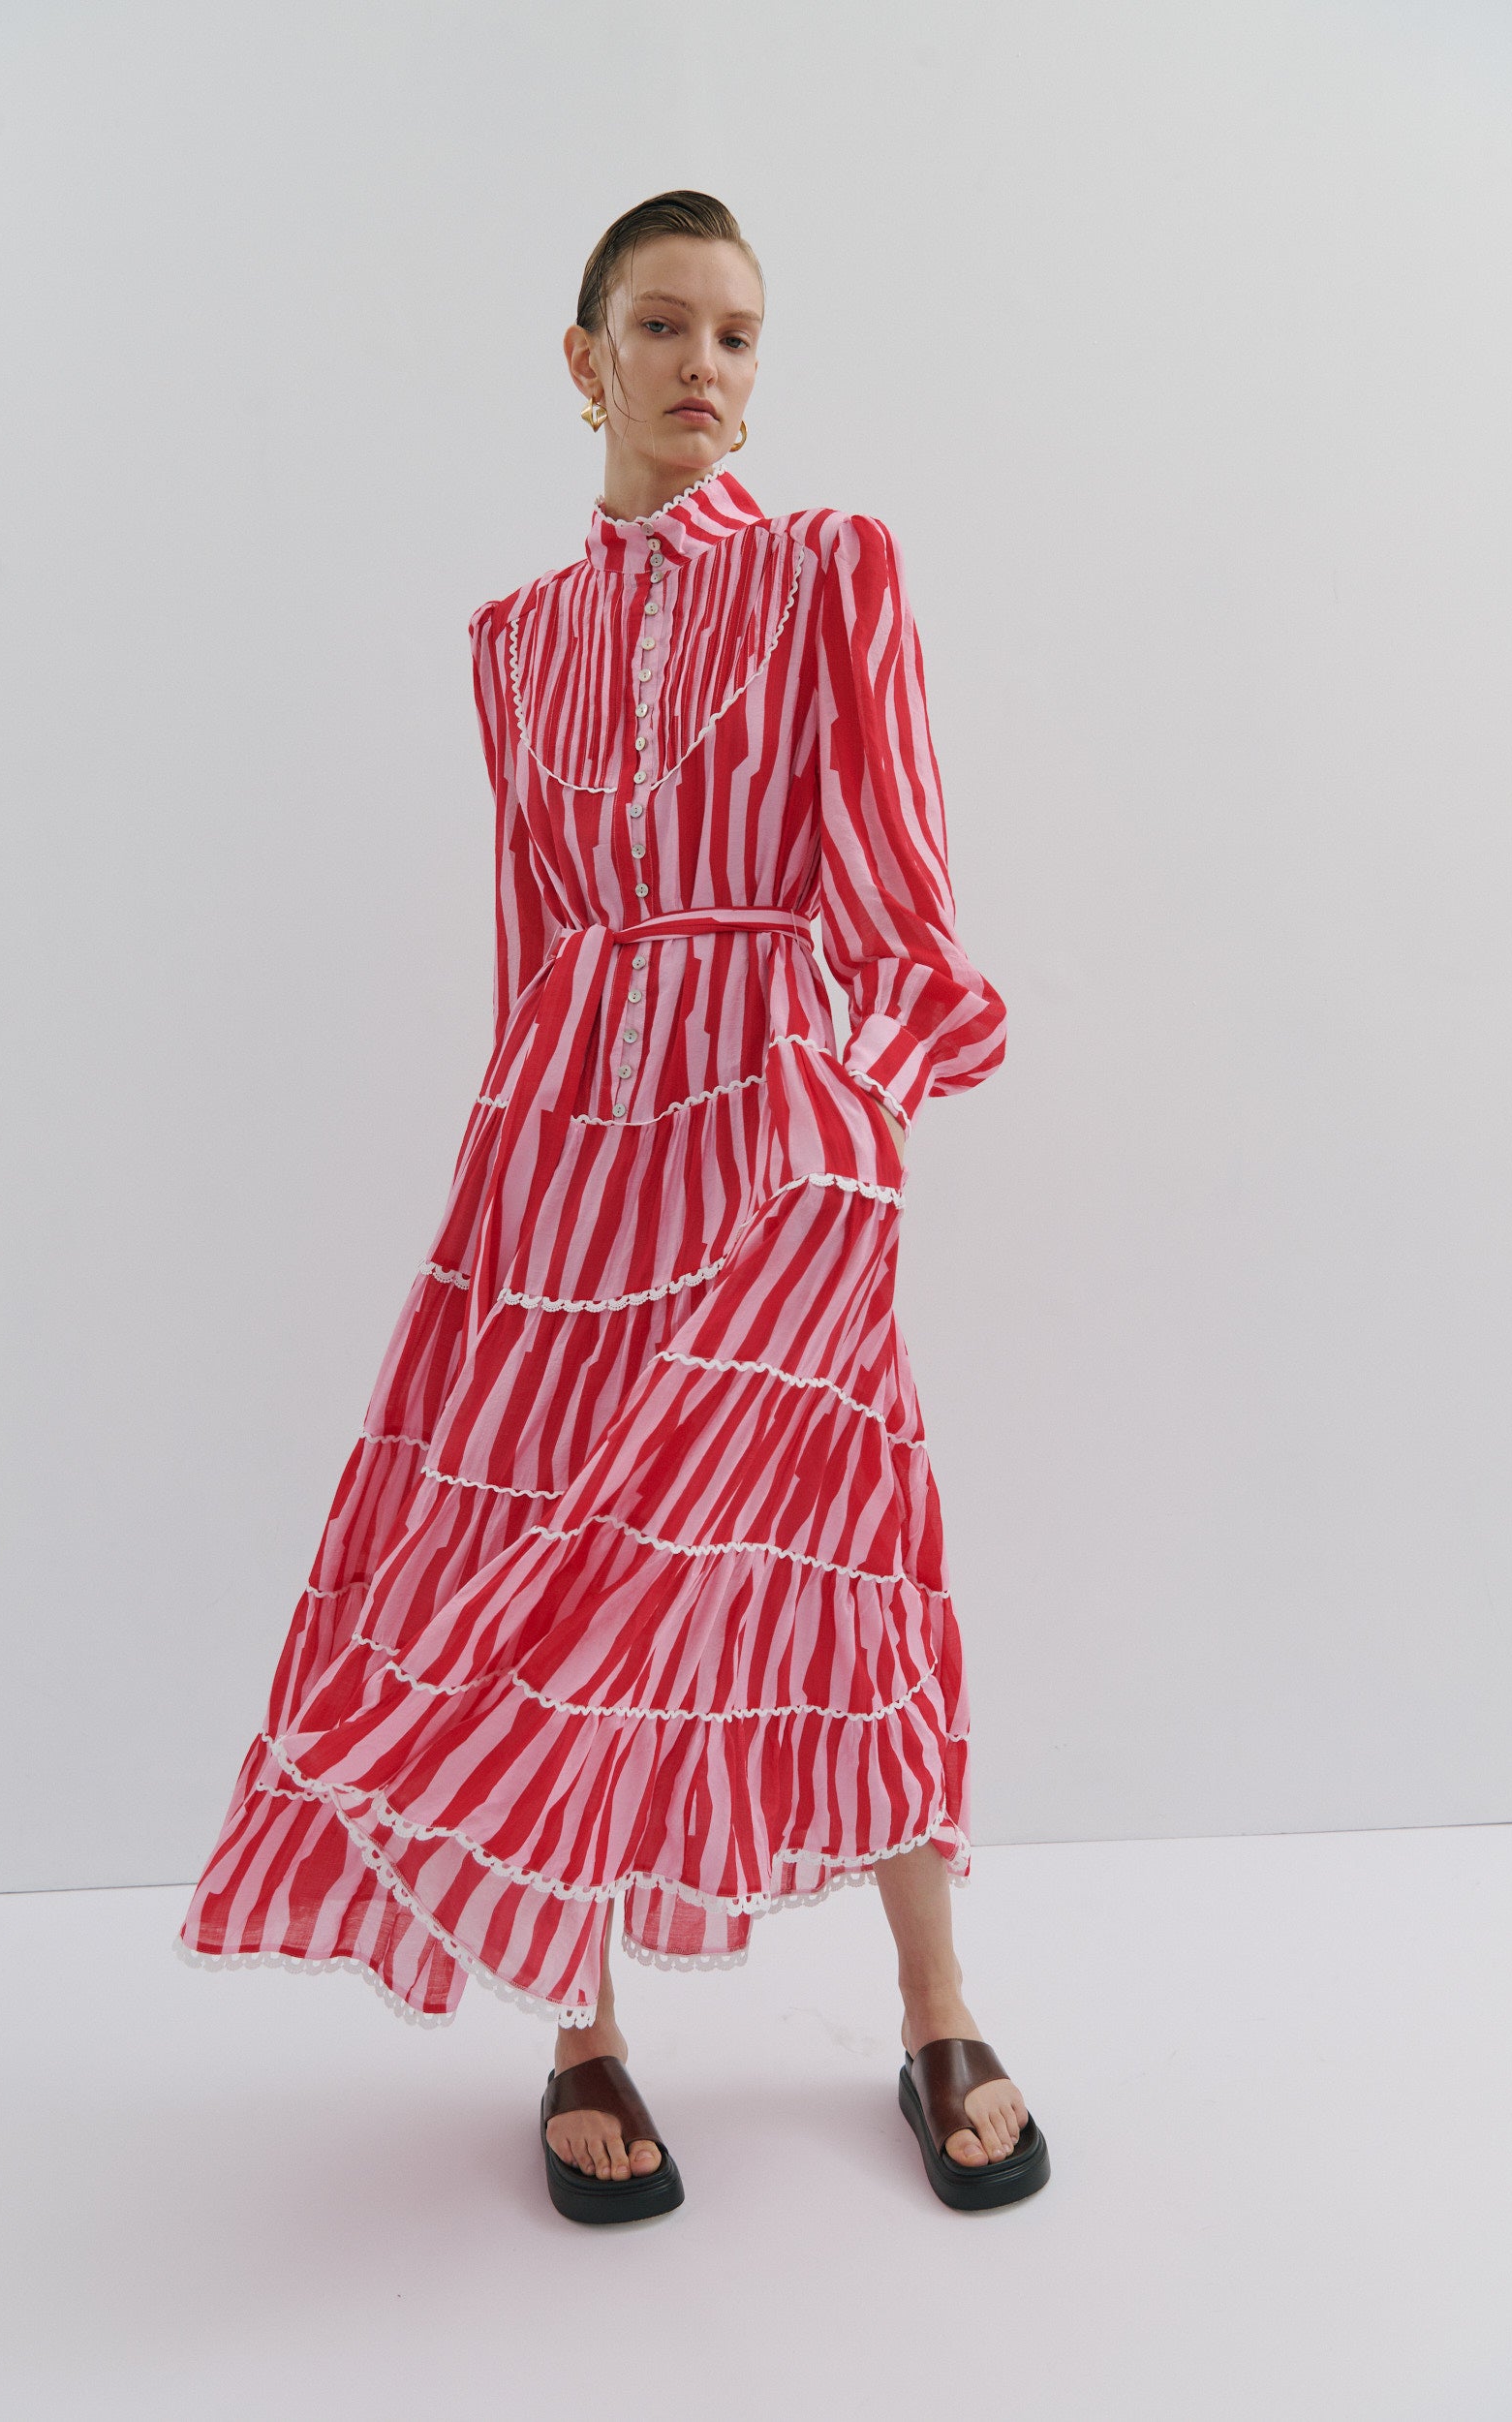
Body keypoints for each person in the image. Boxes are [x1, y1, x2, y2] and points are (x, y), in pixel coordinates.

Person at [179, 189, 1048, 2220]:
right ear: (587, 361)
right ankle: (578, 2024)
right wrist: (501, 1185)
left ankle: (937, 2003)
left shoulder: (837, 567)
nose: (707, 370)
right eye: (665, 328)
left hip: (777, 1132)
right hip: (568, 1164)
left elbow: (914, 923)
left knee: (838, 1547)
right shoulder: (514, 643)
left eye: (739, 336)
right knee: (544, 1553)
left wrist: (856, 1113)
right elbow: (535, 947)